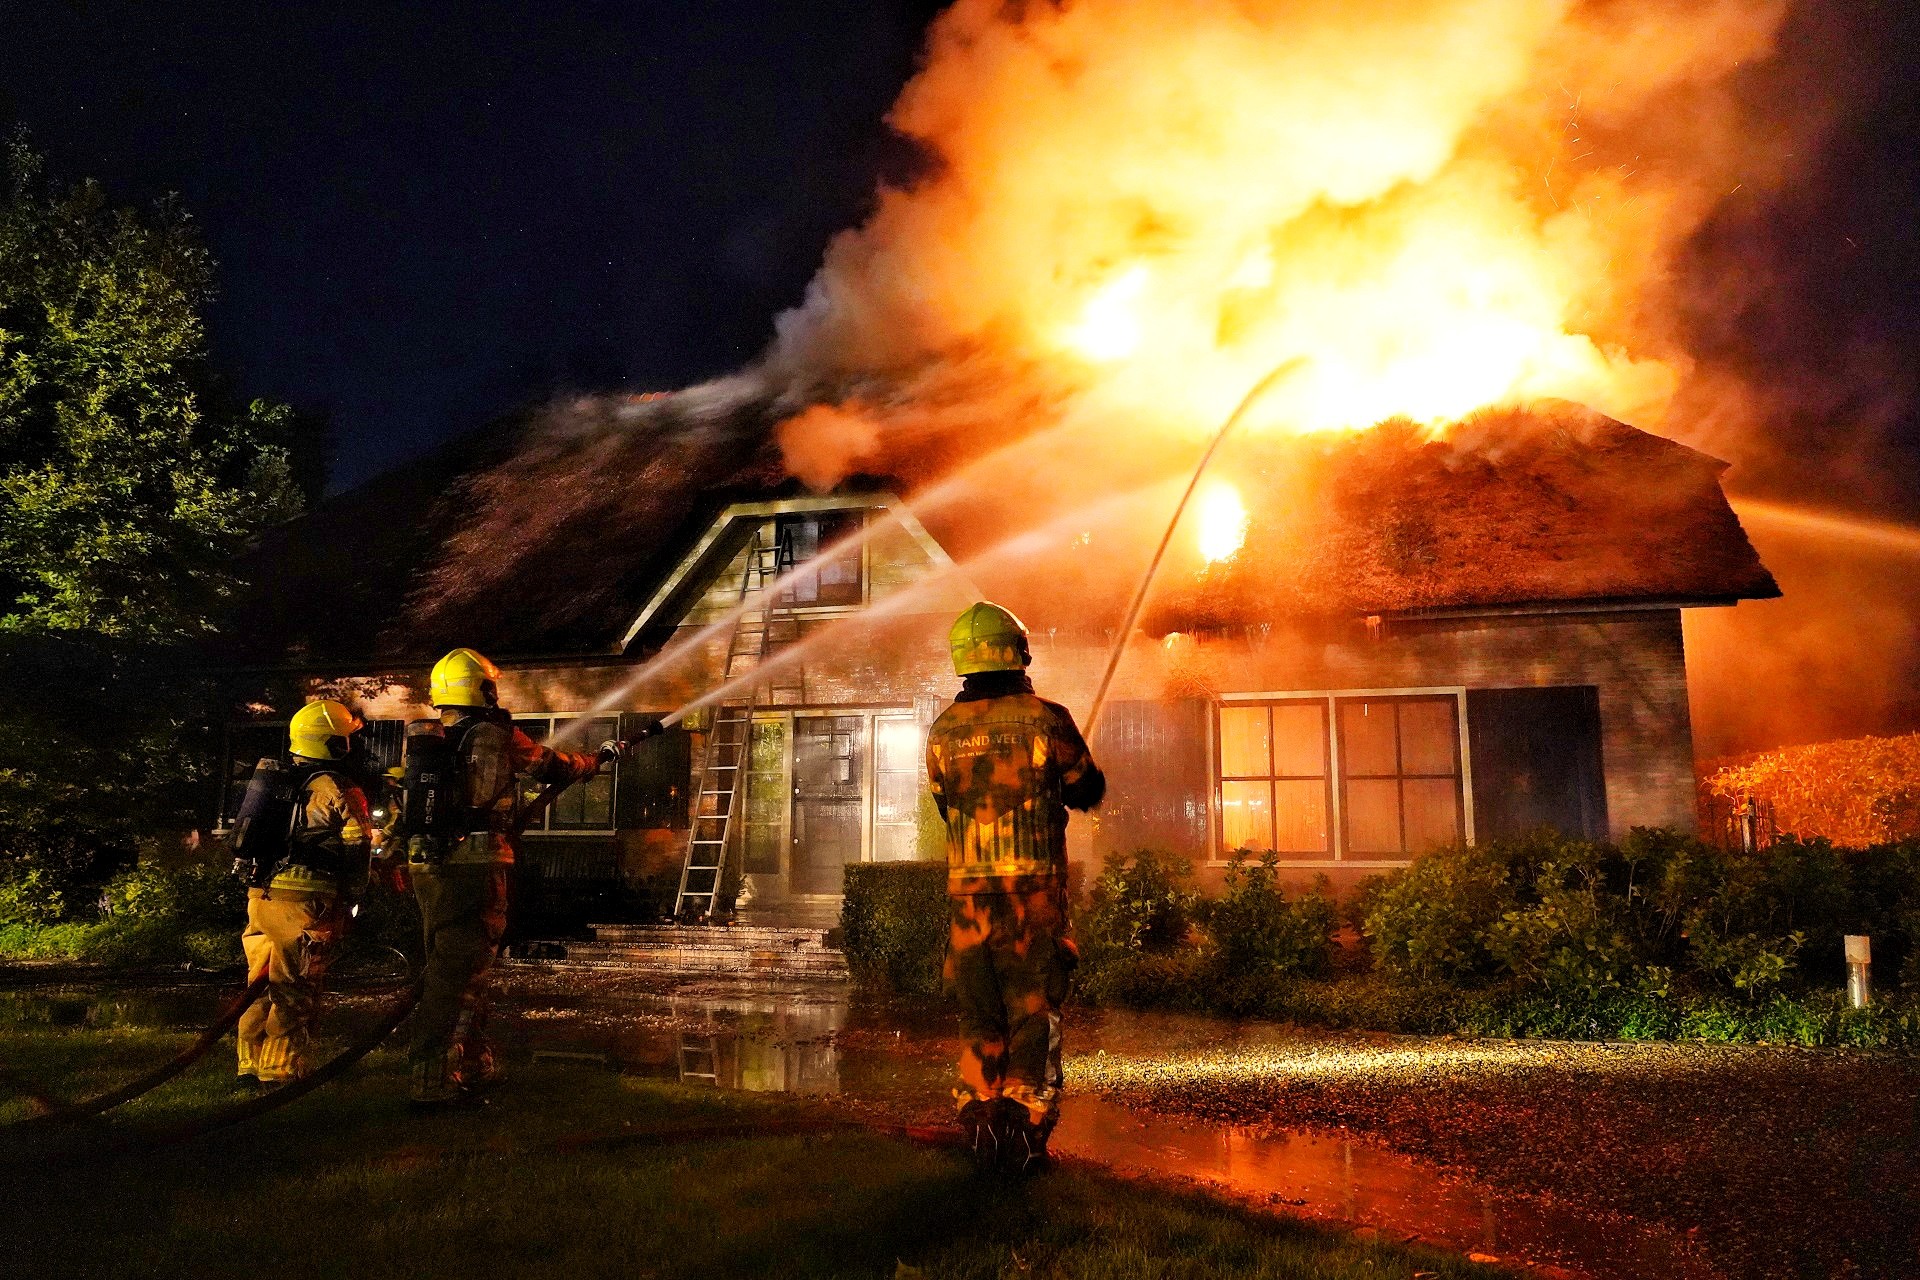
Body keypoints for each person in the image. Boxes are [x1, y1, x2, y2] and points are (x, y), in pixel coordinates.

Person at [392, 647, 623, 1107]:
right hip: (475, 866)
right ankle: (432, 1081)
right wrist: (596, 760)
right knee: (458, 973)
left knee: (454, 964)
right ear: (484, 689)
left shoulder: (433, 742)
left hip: (429, 867)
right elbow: (551, 765)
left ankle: (472, 1064)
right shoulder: (495, 736)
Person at [925, 602, 1105, 1171]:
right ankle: (1025, 1130)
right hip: (1032, 899)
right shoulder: (1048, 719)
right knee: (1033, 1012)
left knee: (979, 1013)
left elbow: (943, 803)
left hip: (969, 901)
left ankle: (980, 1121)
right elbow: (1086, 789)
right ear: (1020, 655)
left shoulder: (944, 730)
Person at [235, 699, 373, 1087]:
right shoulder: (338, 787)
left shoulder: (276, 780)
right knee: (295, 988)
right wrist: (353, 896)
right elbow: (357, 845)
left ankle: (248, 1062)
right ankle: (279, 1071)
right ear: (334, 744)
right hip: (306, 904)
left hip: (261, 898)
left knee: (259, 982)